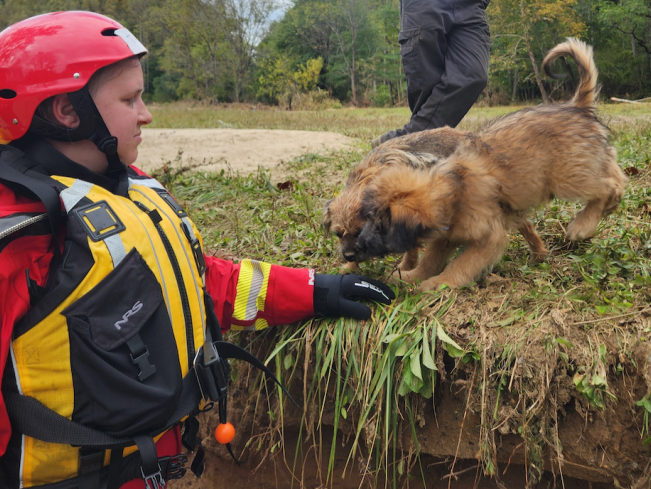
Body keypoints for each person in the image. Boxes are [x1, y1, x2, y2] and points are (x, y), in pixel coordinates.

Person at [0, 11, 395, 489]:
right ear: (68, 112)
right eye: (129, 99)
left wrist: (317, 291)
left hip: (153, 467)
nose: (146, 113)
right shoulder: (23, 237)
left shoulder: (129, 187)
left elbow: (195, 281)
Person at [371, 0, 491, 148]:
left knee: (474, 74)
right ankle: (421, 155)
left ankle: (399, 144)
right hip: (426, 4)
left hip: (471, 5)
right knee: (427, 87)